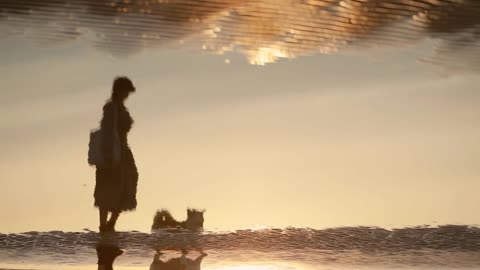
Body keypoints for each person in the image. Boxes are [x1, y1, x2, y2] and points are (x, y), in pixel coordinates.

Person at [94, 76, 138, 233]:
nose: (127, 95)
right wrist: (109, 155)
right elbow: (107, 130)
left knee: (125, 186)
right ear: (120, 90)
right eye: (126, 91)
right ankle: (104, 225)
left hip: (123, 151)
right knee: (108, 188)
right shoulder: (111, 107)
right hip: (112, 152)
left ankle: (110, 224)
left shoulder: (119, 107)